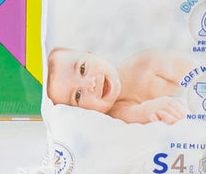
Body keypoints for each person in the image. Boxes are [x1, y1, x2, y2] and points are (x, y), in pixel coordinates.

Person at [45, 46, 189, 124]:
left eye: (82, 69)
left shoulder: (148, 62)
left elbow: (195, 72)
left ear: (92, 54)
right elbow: (141, 113)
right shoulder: (116, 115)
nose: (91, 84)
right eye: (77, 95)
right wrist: (154, 109)